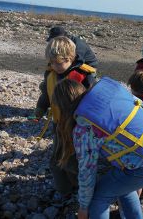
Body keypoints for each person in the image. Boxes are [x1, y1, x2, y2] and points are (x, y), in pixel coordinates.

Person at [53, 77, 143, 219]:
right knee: (121, 186)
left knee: (98, 198)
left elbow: (87, 173)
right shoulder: (110, 97)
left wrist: (84, 207)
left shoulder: (84, 127)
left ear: (62, 107)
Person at [34, 36, 97, 198]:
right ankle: (65, 190)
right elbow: (47, 95)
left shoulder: (84, 75)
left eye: (59, 63)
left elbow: (93, 100)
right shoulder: (50, 74)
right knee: (57, 160)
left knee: (73, 161)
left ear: (71, 58)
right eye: (52, 63)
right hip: (58, 125)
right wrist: (40, 108)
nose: (55, 66)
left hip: (78, 127)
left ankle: (81, 189)